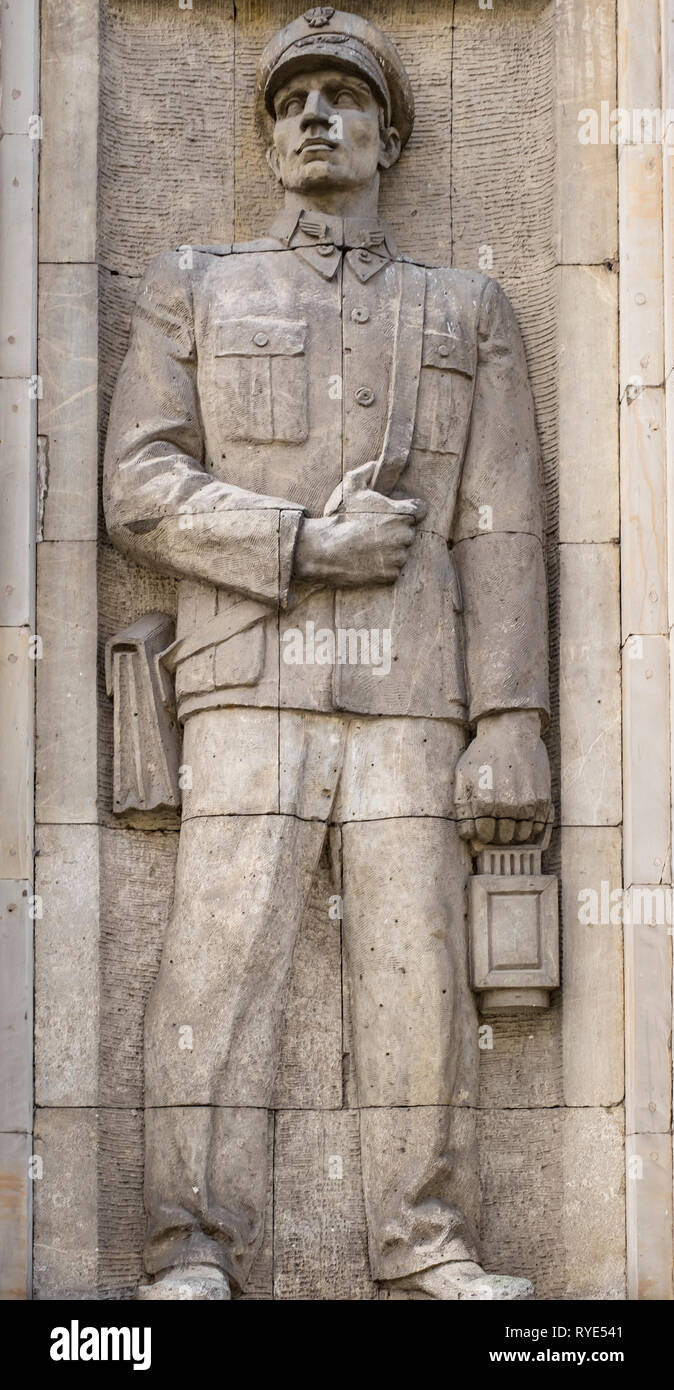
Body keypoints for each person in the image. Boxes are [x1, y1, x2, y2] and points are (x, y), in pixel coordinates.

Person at [104, 7, 551, 1301]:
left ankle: (424, 1240)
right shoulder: (196, 282)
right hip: (244, 676)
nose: (313, 115)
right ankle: (189, 1244)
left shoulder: (464, 309)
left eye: (343, 98)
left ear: (387, 134)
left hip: (413, 691)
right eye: (291, 96)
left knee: (416, 968)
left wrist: (509, 715)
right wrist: (300, 542)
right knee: (216, 958)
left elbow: (506, 523)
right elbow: (135, 485)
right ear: (266, 133)